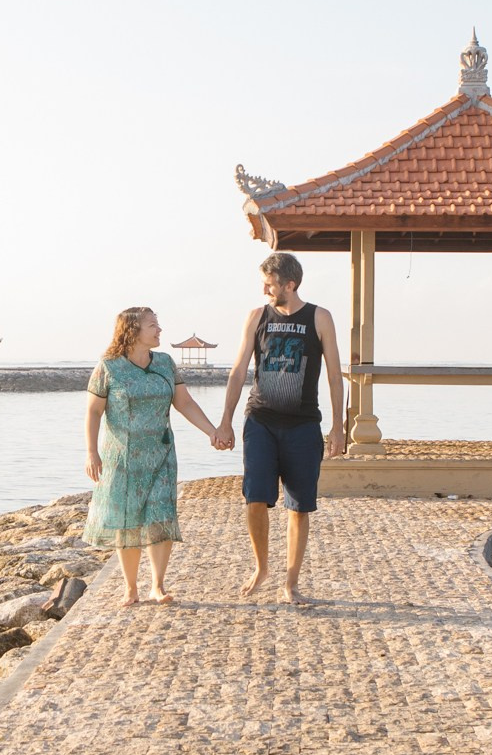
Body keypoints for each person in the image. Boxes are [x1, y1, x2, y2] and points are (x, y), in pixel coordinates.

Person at [212, 252, 347, 606]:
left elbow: (334, 375)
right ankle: (261, 568)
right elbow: (239, 370)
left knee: (299, 507)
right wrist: (225, 419)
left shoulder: (320, 317)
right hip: (261, 420)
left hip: (303, 425)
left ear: (290, 284)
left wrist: (338, 427)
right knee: (255, 499)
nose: (265, 290)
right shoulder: (257, 317)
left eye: (270, 285)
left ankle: (291, 583)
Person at [83, 307, 221, 606]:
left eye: (158, 324)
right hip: (122, 459)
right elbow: (94, 412)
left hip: (161, 455)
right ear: (132, 330)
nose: (159, 330)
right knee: (128, 520)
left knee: (161, 516)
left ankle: (157, 586)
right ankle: (130, 588)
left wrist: (212, 431)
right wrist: (92, 452)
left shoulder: (166, 363)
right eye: (153, 325)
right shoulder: (109, 367)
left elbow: (184, 402)